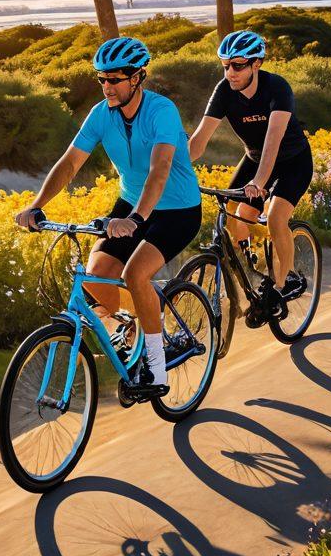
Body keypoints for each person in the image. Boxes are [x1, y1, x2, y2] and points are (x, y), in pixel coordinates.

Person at [15, 36, 202, 398]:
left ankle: (156, 369)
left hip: (177, 209)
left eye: (114, 79)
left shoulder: (161, 111)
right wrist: (37, 204)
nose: (106, 87)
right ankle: (141, 323)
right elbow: (70, 163)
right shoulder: (101, 114)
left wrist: (136, 218)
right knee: (96, 276)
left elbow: (160, 168)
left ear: (136, 78)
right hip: (130, 205)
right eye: (101, 79)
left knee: (134, 273)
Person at [188, 30, 313, 319]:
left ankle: (284, 282)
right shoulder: (224, 91)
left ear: (256, 64)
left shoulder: (277, 88)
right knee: (232, 213)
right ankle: (252, 265)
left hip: (292, 160)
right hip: (254, 159)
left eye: (238, 65)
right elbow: (198, 141)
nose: (230, 72)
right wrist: (172, 170)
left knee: (277, 216)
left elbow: (273, 142)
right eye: (225, 65)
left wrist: (259, 183)